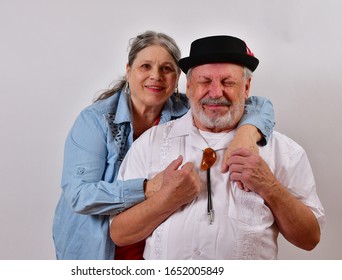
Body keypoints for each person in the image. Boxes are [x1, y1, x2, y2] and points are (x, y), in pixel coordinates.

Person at [52, 31, 275, 260]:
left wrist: (247, 133)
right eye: (145, 66)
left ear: (179, 78)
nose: (155, 76)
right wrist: (147, 188)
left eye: (166, 69)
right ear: (129, 71)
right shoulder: (95, 121)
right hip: (97, 244)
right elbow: (79, 195)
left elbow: (258, 105)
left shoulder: (185, 110)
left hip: (151, 244)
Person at [110, 35, 325, 259]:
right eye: (204, 81)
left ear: (246, 87)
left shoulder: (285, 151)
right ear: (189, 86)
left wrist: (268, 185)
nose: (215, 93)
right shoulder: (150, 142)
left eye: (228, 82)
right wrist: (166, 200)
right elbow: (119, 233)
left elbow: (310, 238)